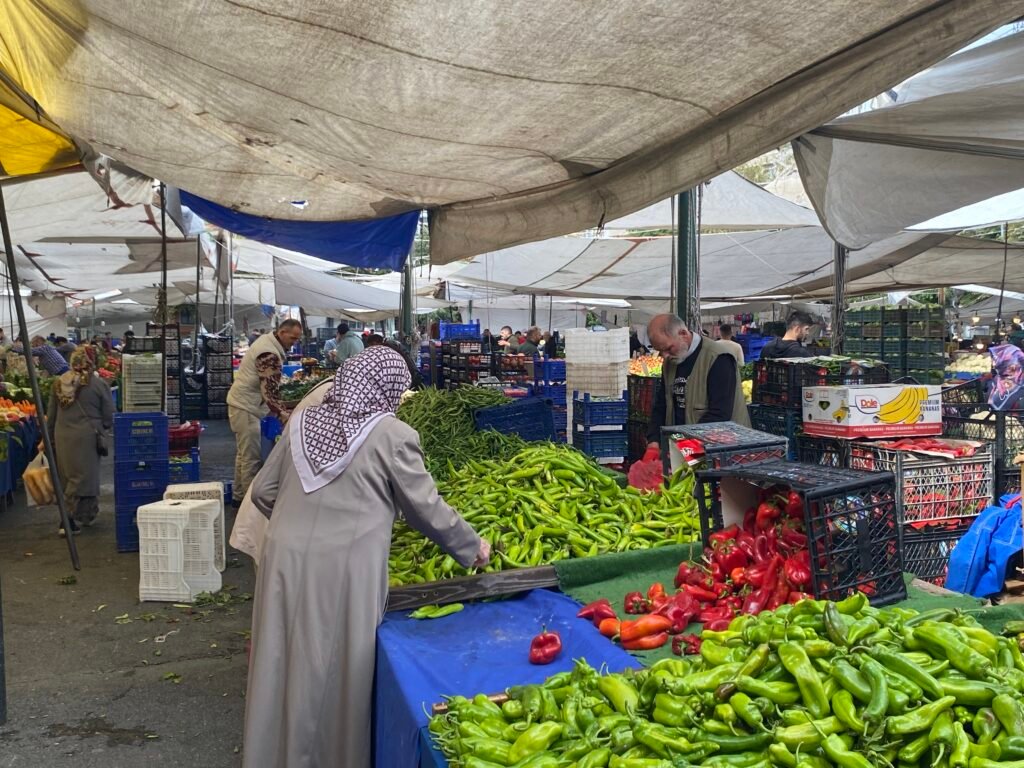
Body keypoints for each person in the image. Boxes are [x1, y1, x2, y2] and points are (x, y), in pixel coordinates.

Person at [241, 346, 489, 768]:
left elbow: (263, 493)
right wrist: (472, 547)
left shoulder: (303, 421)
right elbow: (426, 509)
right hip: (343, 571)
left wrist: (297, 522)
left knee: (280, 660)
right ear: (388, 388)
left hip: (282, 559)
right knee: (332, 671)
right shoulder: (391, 435)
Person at [645, 314, 749, 450]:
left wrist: (685, 447)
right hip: (686, 447)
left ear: (683, 334)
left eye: (668, 348)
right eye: (660, 351)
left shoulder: (718, 358)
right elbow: (662, 404)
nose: (665, 356)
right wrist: (654, 439)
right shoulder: (670, 362)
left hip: (722, 449)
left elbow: (720, 414)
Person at [226, 319, 304, 501]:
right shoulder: (268, 353)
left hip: (244, 404)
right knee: (251, 458)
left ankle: (238, 497)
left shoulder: (269, 344)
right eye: (293, 338)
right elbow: (269, 392)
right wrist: (283, 414)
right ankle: (250, 505)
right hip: (246, 406)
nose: (295, 342)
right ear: (282, 332)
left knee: (244, 454)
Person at [47, 346, 114, 536]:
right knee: (84, 479)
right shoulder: (98, 384)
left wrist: (50, 438)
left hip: (63, 437)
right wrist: (104, 428)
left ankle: (86, 514)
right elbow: (109, 414)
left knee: (67, 477)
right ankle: (67, 520)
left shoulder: (58, 383)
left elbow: (51, 416)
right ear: (91, 361)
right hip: (87, 437)